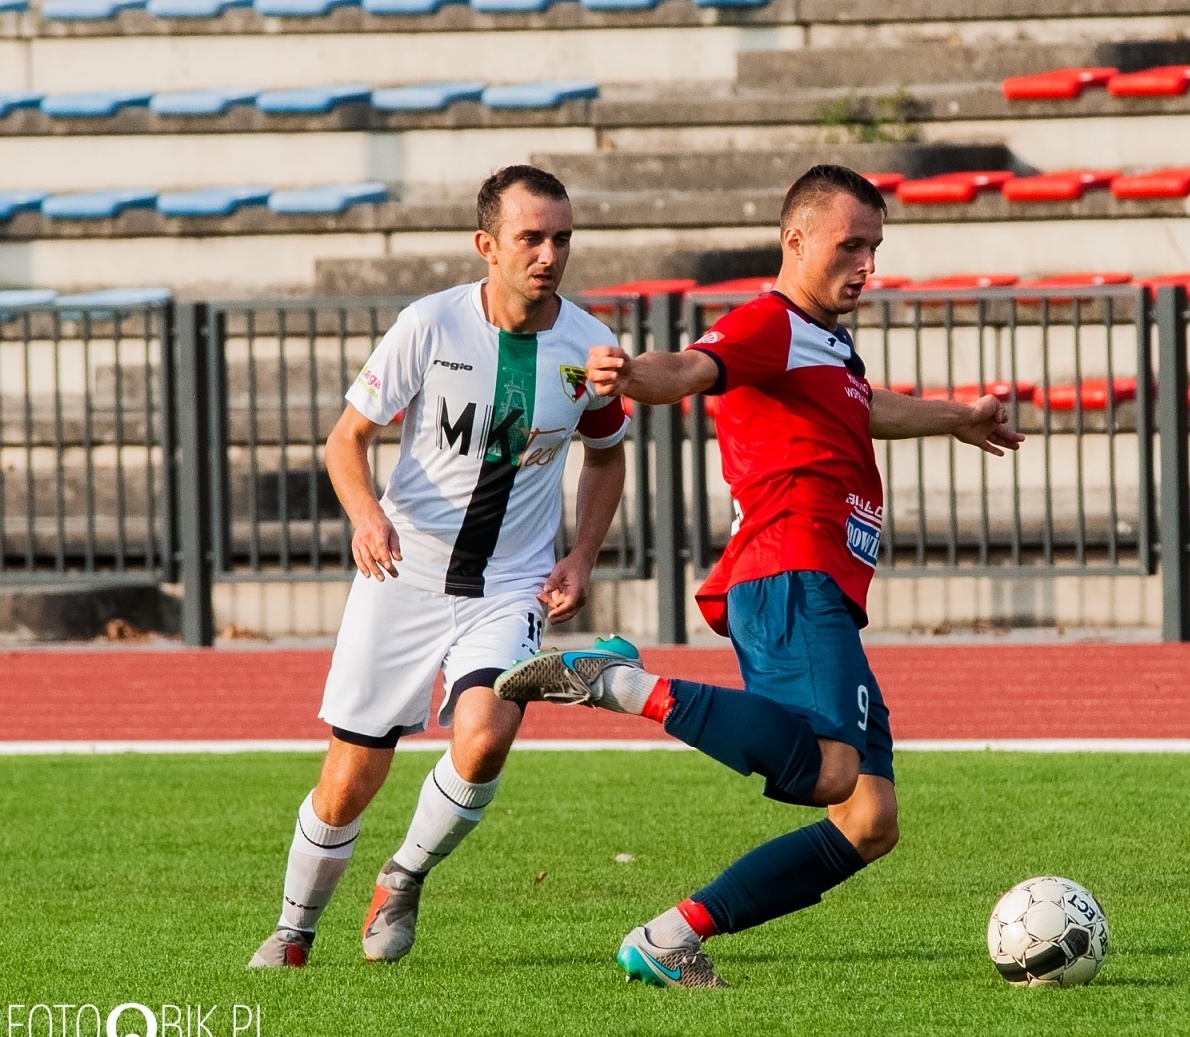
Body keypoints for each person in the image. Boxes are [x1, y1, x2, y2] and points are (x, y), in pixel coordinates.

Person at [494, 164, 1025, 988]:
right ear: (796, 240)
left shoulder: (826, 342)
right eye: (851, 245)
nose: (867, 265)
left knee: (870, 817)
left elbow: (860, 404)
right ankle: (620, 684)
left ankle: (668, 937)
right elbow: (695, 367)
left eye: (875, 248)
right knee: (833, 771)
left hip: (817, 584)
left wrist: (959, 418)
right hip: (790, 568)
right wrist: (633, 378)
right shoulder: (768, 324)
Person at [248, 165, 630, 968]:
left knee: (487, 735)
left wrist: (582, 553)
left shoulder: (588, 348)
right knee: (350, 779)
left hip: (507, 588)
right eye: (531, 238)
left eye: (562, 238)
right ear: (487, 245)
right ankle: (293, 934)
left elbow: (605, 456)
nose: (549, 254)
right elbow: (345, 440)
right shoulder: (430, 325)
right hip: (403, 577)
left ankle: (404, 874)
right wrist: (367, 515)